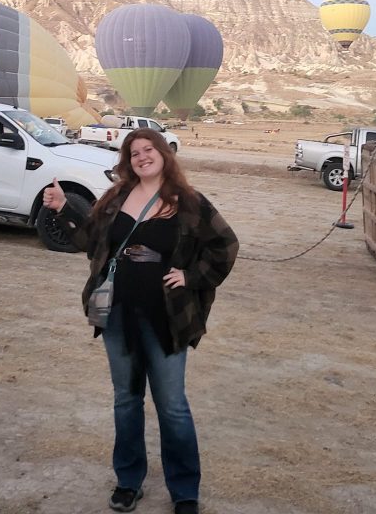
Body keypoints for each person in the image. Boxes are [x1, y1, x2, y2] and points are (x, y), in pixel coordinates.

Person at [42, 128, 239, 514]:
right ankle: (129, 481)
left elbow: (225, 245)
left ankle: (184, 490)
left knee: (172, 405)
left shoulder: (188, 202)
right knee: (126, 400)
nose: (142, 157)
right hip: (118, 315)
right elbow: (89, 241)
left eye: (149, 149)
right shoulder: (116, 197)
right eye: (134, 153)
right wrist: (64, 207)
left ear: (165, 154)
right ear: (127, 162)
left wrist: (191, 276)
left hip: (166, 318)